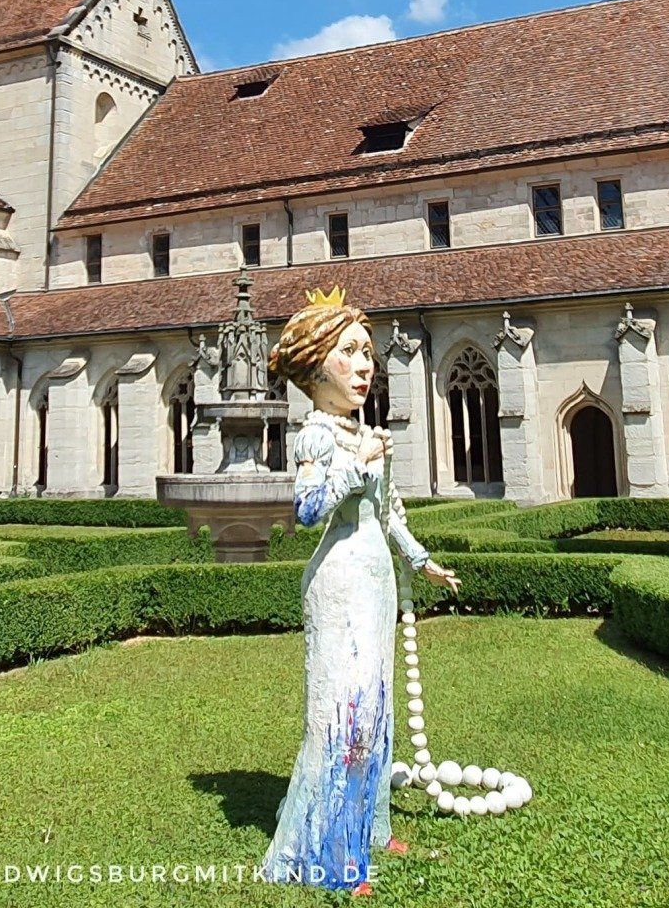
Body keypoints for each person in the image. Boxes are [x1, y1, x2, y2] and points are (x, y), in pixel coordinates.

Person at [259, 287, 460, 895]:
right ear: (316, 367)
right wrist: (359, 462)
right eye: (348, 352)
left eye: (367, 352)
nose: (365, 365)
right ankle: (321, 855)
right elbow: (306, 510)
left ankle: (369, 828)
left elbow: (389, 510)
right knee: (342, 718)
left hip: (375, 583)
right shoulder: (318, 435)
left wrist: (421, 560)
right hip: (340, 583)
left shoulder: (363, 432)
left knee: (375, 711)